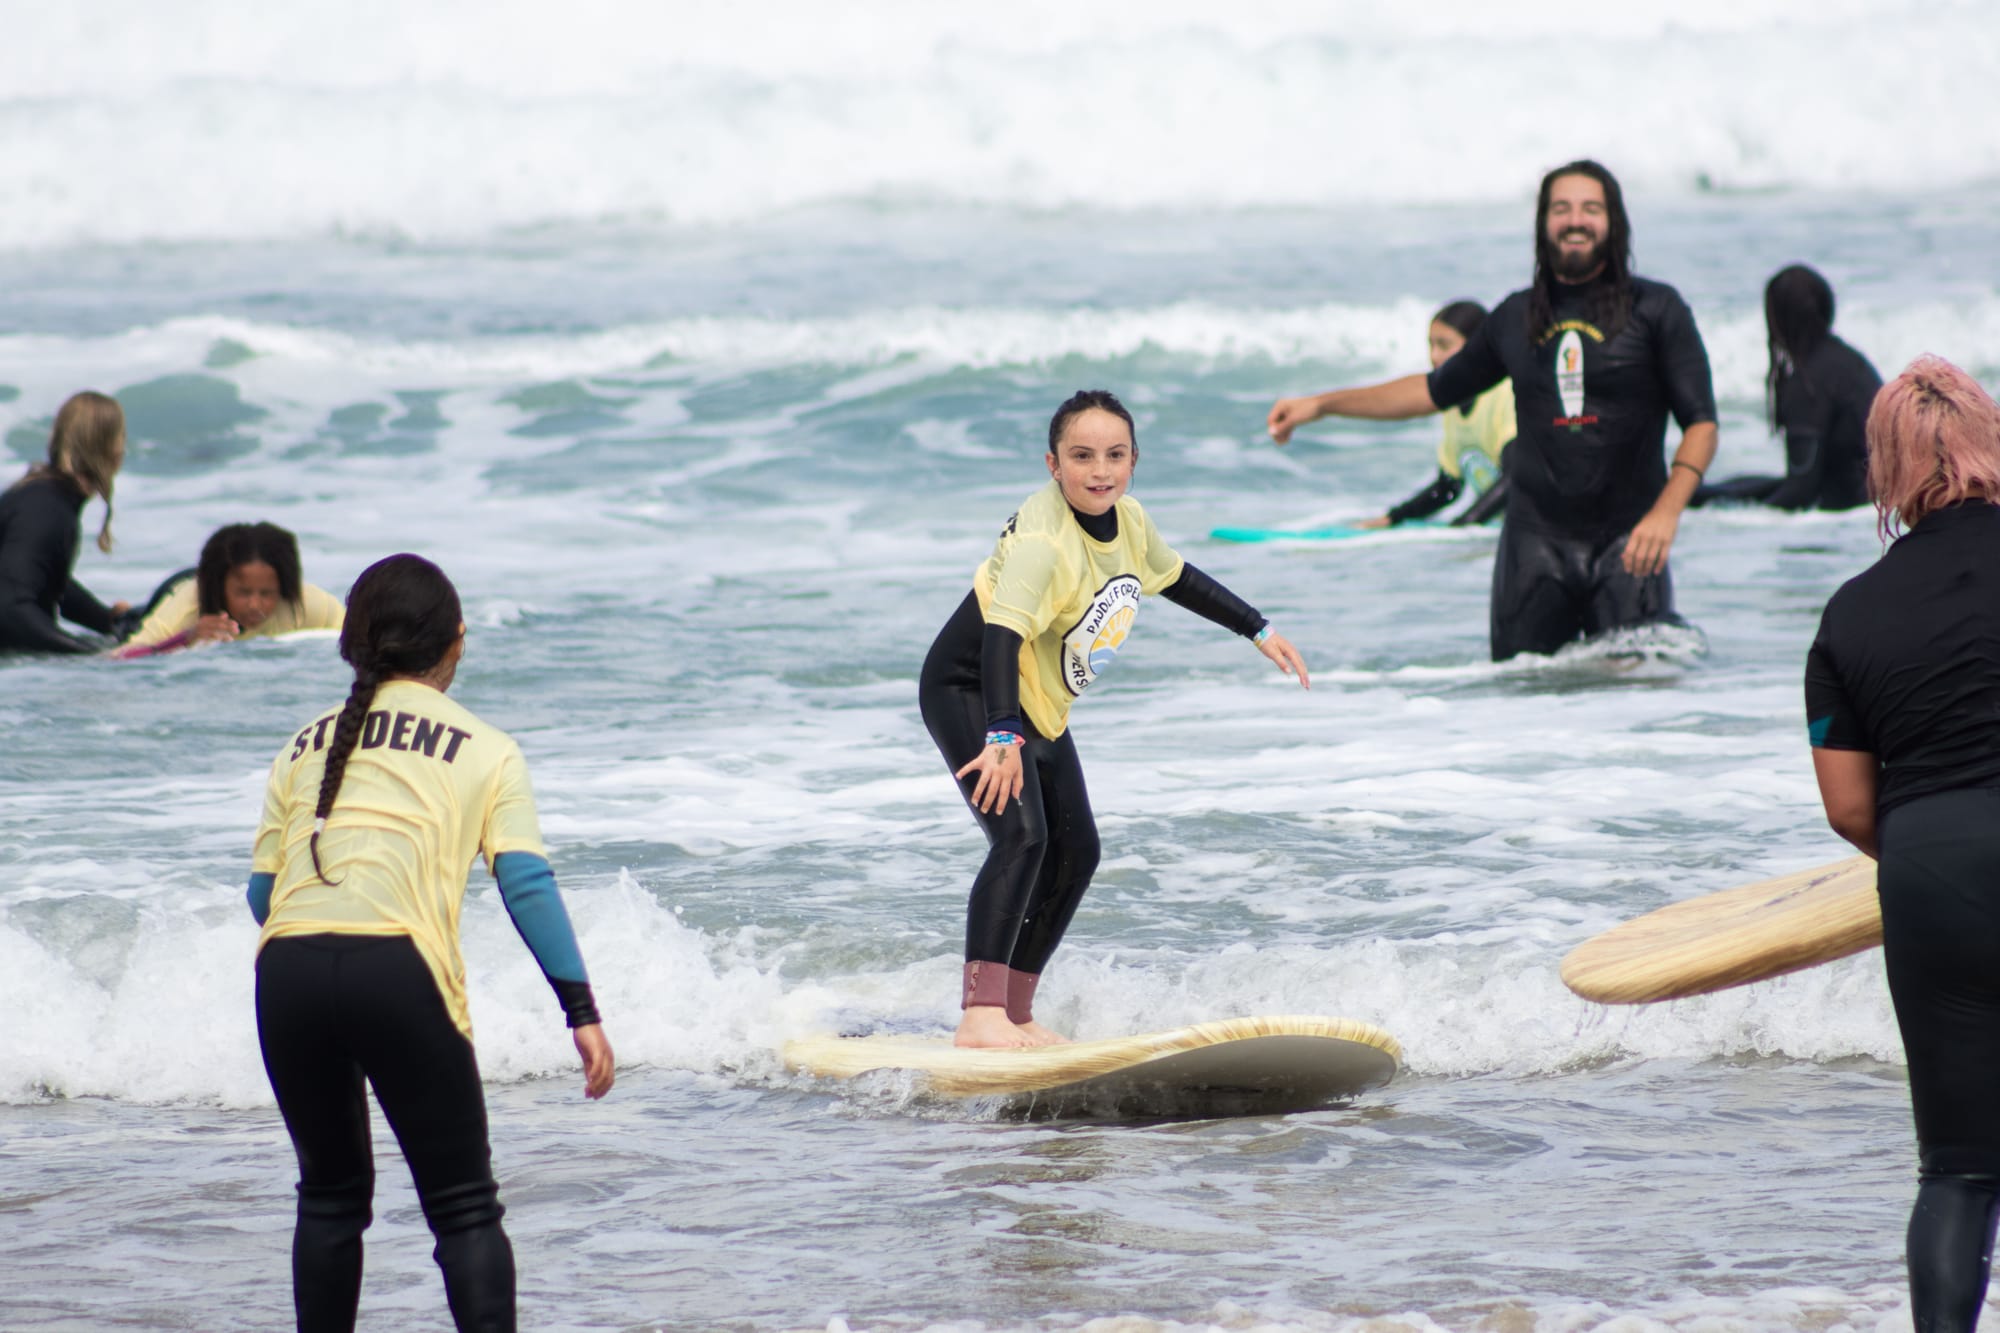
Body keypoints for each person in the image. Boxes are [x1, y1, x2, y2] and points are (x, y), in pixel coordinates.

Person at [248, 552, 613, 1332]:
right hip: (398, 972)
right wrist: (581, 1011)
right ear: (456, 640)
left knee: (330, 1197)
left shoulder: (302, 745)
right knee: (464, 1209)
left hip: (287, 973)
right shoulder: (487, 747)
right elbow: (526, 885)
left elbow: (262, 895)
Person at [919, 390, 1311, 1049]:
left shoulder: (1127, 520)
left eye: (1115, 455)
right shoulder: (1045, 542)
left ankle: (1013, 1008)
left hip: (1034, 699)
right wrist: (1002, 733)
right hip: (973, 686)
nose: (1099, 470)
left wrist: (1256, 627)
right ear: (1053, 463)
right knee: (1022, 837)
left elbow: (1176, 575)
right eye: (1081, 456)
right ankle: (979, 1015)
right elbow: (999, 641)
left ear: (1134, 460)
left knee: (1078, 850)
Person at [1267, 160, 1718, 661]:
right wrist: (1324, 404)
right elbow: (1432, 391)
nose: (1576, 220)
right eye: (1561, 208)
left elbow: (1701, 423)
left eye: (1591, 208)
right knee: (1522, 698)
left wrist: (1667, 513)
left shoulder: (1656, 309)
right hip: (1534, 548)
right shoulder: (1515, 316)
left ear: (1614, 222)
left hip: (1630, 543)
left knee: (1641, 697)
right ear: (1543, 223)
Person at [1805, 356, 2000, 1333]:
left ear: (1884, 468)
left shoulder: (1848, 613)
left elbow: (1846, 808)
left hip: (1927, 869)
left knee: (1960, 1167)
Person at [1695, 265, 1882, 511]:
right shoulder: (1852, 361)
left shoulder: (1807, 384)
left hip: (1842, 504)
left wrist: (1734, 525)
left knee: (1706, 498)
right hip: (1867, 497)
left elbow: (1801, 491)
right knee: (1728, 487)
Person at [1350, 301, 1516, 530]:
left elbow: (1515, 478)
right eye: (1431, 345)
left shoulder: (1505, 394)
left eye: (1444, 345)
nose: (1434, 356)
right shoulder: (1453, 402)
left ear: (1477, 347)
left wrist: (1463, 525)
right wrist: (1394, 518)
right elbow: (1448, 487)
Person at [0, 390, 130, 654]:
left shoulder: (42, 496)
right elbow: (10, 607)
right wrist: (90, 656)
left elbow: (40, 576)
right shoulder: (47, 510)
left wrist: (108, 621)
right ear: (112, 451)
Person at [114, 521, 345, 658]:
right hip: (174, 591)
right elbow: (121, 658)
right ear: (220, 587)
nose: (255, 605)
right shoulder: (189, 606)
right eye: (244, 593)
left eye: (267, 593)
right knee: (127, 624)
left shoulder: (306, 604)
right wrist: (187, 638)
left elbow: (361, 640)